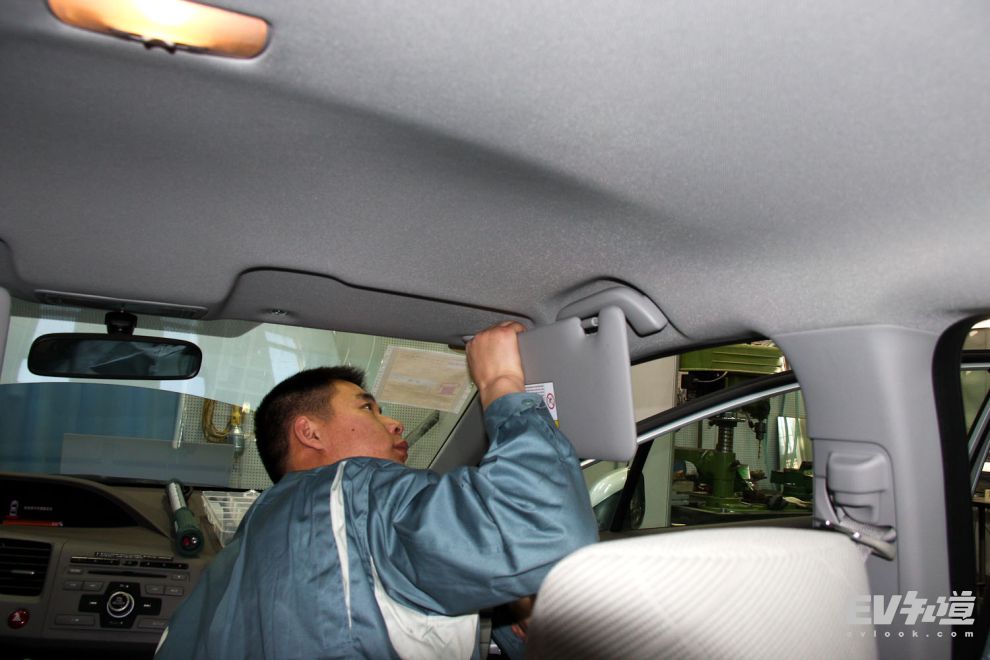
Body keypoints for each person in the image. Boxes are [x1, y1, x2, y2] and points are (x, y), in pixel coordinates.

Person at [155, 321, 598, 659]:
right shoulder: (352, 490)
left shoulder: (228, 567)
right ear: (309, 432)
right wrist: (500, 382)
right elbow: (545, 529)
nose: (395, 423)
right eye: (368, 408)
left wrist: (511, 610)